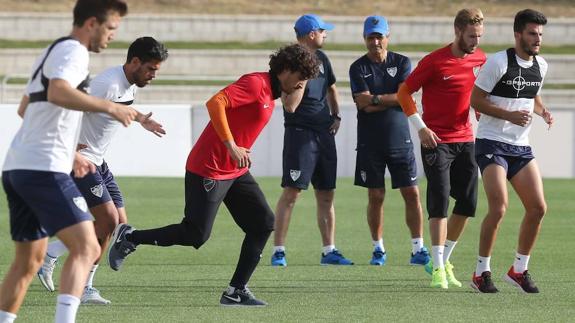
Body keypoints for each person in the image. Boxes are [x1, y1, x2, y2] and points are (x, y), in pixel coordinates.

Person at [107, 43, 319, 306]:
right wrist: (231, 144)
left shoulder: (275, 91)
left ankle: (236, 291)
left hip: (235, 170)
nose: (301, 85)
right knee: (195, 235)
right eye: (300, 78)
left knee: (263, 223)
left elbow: (292, 107)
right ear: (285, 70)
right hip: (208, 168)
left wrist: (303, 77)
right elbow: (215, 102)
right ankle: (130, 237)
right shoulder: (256, 84)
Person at [0, 1, 132, 322]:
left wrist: (70, 153)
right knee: (87, 246)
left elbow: (25, 108)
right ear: (91, 23)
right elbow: (59, 92)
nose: (113, 35)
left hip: (20, 166)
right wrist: (110, 107)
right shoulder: (74, 51)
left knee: (28, 262)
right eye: (111, 27)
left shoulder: (53, 50)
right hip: (43, 168)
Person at [34, 37, 169, 305]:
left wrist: (142, 119)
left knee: (117, 223)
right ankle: (81, 286)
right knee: (106, 221)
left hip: (100, 161)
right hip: (82, 161)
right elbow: (70, 109)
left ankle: (54, 255)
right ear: (134, 62)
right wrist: (71, 149)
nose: (153, 75)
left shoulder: (129, 85)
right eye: (150, 69)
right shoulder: (107, 83)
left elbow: (119, 107)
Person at [397, 8, 486, 289]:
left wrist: (479, 109)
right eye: (472, 36)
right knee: (440, 202)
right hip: (436, 141)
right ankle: (437, 268)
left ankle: (443, 258)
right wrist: (420, 127)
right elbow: (403, 91)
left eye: (479, 36)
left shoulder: (481, 59)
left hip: (465, 140)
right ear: (458, 31)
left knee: (469, 203)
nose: (475, 41)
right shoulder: (435, 61)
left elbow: (476, 92)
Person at [470, 9, 552, 294]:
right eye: (532, 33)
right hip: (491, 143)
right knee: (499, 207)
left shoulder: (541, 65)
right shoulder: (497, 62)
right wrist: (508, 116)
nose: (537, 38)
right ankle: (481, 272)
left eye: (540, 34)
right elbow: (476, 100)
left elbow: (532, 94)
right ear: (518, 34)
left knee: (538, 207)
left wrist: (543, 112)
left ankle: (519, 269)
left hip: (520, 146)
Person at [271, 14, 353, 267]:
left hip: (323, 134)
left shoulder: (324, 59)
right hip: (300, 134)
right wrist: (303, 74)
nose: (325, 34)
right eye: (322, 31)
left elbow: (331, 88)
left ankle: (329, 250)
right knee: (292, 193)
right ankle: (279, 251)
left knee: (326, 194)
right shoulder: (289, 62)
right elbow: (290, 105)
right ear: (310, 34)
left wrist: (336, 115)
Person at [349, 16, 430, 266]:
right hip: (370, 142)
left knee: (412, 193)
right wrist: (390, 99)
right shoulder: (357, 67)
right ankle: (378, 249)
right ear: (365, 39)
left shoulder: (402, 62)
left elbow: (404, 98)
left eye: (379, 36)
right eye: (370, 37)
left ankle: (418, 249)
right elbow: (362, 103)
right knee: (376, 195)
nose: (375, 42)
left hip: (400, 139)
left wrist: (374, 99)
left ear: (387, 37)